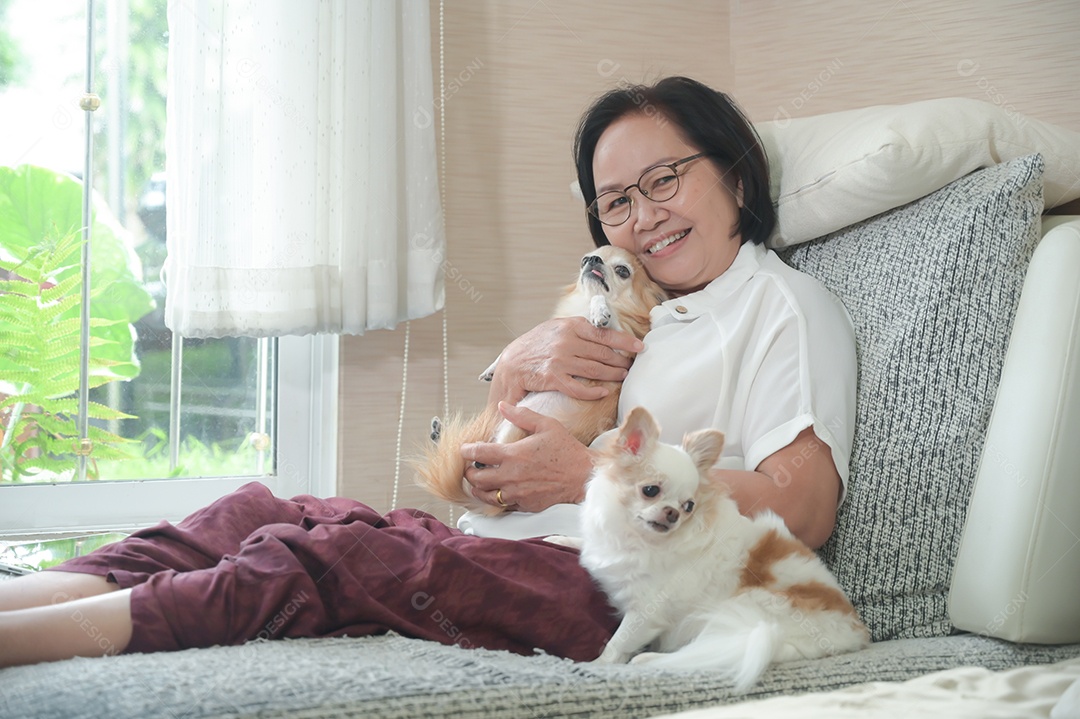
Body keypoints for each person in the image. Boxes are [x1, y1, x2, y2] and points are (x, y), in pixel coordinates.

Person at [0, 76, 855, 669]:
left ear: (735, 174)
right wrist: (512, 382)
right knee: (265, 509)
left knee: (329, 557)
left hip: (625, 593)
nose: (641, 218)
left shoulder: (781, 306)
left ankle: (29, 642)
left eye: (664, 179)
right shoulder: (637, 317)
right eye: (616, 201)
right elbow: (493, 484)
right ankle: (22, 600)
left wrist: (584, 474)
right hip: (522, 548)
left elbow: (807, 504)